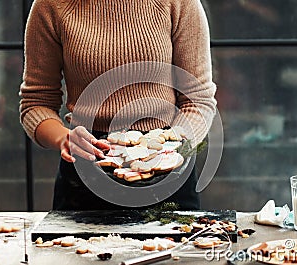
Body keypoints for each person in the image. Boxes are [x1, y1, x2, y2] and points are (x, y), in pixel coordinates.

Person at [19, 0, 217, 211]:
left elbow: (198, 99)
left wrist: (172, 145)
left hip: (166, 162)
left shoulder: (179, 3)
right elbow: (35, 103)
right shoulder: (50, 5)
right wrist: (64, 139)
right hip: (87, 165)